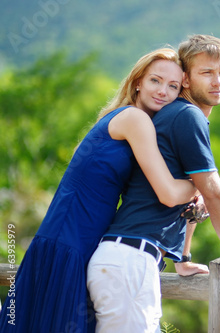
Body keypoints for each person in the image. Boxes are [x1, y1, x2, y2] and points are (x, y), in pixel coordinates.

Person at [0, 48, 199, 333]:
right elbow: (167, 193)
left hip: (67, 239)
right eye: (155, 80)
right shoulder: (134, 119)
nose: (163, 92)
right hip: (74, 241)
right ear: (138, 81)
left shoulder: (117, 118)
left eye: (173, 86)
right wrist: (200, 185)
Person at [87, 34, 220, 332]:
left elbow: (191, 196)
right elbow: (214, 194)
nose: (218, 82)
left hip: (130, 260)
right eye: (207, 73)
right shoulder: (187, 116)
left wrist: (183, 259)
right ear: (186, 79)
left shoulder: (178, 115)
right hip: (129, 261)